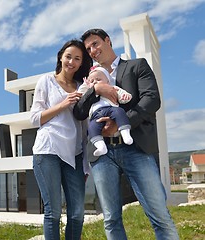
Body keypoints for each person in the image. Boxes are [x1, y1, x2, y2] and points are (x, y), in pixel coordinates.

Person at [73, 29, 179, 240]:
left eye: (95, 44)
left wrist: (121, 124)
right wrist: (97, 90)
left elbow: (151, 100)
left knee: (159, 214)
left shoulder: (136, 66)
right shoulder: (91, 79)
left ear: (108, 41)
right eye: (88, 49)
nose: (92, 51)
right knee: (111, 219)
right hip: (102, 155)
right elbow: (78, 111)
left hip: (136, 147)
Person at [30, 39, 92, 240]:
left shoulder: (82, 86)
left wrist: (85, 163)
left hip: (74, 154)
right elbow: (34, 118)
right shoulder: (46, 81)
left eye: (77, 59)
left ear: (81, 63)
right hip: (48, 150)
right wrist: (64, 103)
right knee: (53, 213)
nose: (71, 62)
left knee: (77, 214)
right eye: (68, 56)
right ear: (60, 57)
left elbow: (83, 125)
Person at [78, 66, 133, 156]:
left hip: (111, 109)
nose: (95, 82)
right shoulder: (89, 92)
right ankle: (100, 146)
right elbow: (81, 95)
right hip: (96, 115)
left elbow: (123, 96)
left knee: (120, 112)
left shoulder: (112, 88)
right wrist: (87, 85)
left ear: (107, 80)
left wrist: (126, 97)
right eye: (92, 81)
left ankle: (125, 133)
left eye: (98, 79)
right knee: (92, 127)